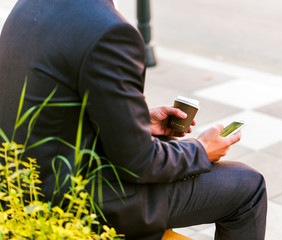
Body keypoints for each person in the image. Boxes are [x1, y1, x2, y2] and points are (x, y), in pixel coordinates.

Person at [0, 0, 267, 239]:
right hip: (77, 198)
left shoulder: (30, 4)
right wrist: (201, 150)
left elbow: (58, 105)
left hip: (22, 181)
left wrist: (138, 122)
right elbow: (138, 163)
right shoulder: (110, 31)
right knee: (248, 185)